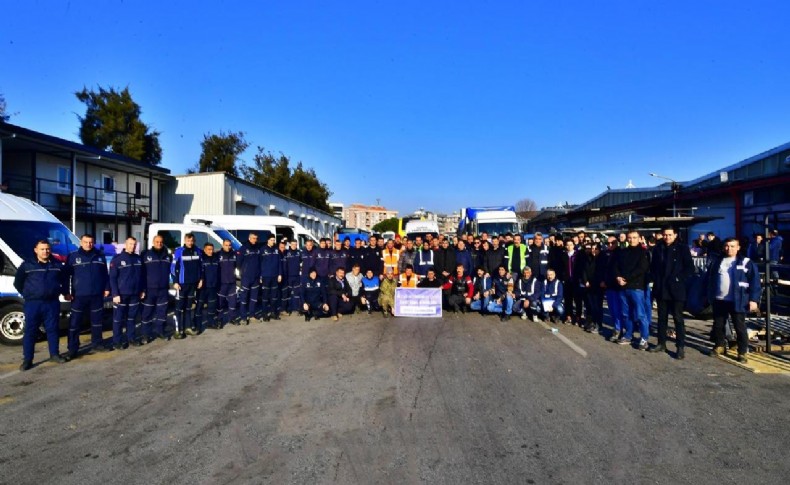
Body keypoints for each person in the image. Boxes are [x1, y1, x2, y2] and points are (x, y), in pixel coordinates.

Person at [15, 240, 69, 371]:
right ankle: (27, 360)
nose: (45, 251)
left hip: (52, 303)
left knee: (53, 329)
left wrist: (65, 292)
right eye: (42, 249)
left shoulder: (56, 264)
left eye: (47, 249)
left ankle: (54, 354)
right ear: (36, 250)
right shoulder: (27, 265)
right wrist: (28, 294)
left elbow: (64, 280)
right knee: (30, 332)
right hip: (33, 303)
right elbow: (18, 283)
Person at [705, 238, 760, 362]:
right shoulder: (717, 261)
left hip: (739, 300)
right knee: (718, 325)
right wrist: (708, 295)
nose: (729, 248)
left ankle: (742, 352)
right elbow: (710, 279)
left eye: (732, 246)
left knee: (739, 327)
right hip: (719, 299)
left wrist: (753, 299)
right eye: (727, 246)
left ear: (738, 247)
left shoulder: (746, 262)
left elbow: (755, 282)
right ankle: (719, 345)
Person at [649, 227, 695, 359]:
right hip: (661, 288)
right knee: (662, 318)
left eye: (669, 234)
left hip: (676, 289)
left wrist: (678, 278)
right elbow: (653, 267)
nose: (667, 237)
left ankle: (680, 347)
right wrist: (655, 279)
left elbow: (690, 268)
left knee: (678, 318)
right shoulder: (658, 248)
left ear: (675, 235)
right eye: (665, 234)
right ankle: (661, 343)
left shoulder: (682, 248)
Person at [64, 234, 110, 357]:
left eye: (91, 242)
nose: (88, 244)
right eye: (85, 242)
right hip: (78, 296)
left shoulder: (100, 256)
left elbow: (105, 274)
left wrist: (106, 288)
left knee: (97, 322)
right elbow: (65, 276)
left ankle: (97, 343)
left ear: (93, 243)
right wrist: (66, 292)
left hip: (96, 295)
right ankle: (73, 348)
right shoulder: (73, 257)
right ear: (81, 243)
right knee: (75, 323)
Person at [615, 231, 650, 349]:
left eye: (634, 238)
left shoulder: (644, 252)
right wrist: (618, 277)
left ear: (640, 238)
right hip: (623, 287)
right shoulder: (623, 252)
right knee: (626, 314)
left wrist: (626, 278)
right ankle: (628, 335)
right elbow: (616, 266)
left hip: (637, 287)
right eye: (629, 238)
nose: (631, 240)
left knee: (640, 314)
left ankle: (644, 338)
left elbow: (642, 269)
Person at [109, 237, 145, 348]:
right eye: (130, 244)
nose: (132, 246)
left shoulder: (138, 259)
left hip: (135, 294)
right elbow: (112, 278)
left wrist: (142, 290)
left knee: (132, 318)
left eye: (134, 244)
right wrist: (115, 294)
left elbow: (142, 277)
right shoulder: (117, 259)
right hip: (121, 295)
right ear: (125, 244)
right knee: (118, 319)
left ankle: (131, 338)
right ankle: (117, 341)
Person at [171, 234, 203, 337]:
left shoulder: (198, 250)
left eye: (192, 240)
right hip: (181, 284)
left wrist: (201, 279)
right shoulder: (179, 251)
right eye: (188, 241)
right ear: (185, 241)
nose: (190, 242)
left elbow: (201, 266)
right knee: (179, 308)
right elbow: (173, 267)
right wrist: (175, 282)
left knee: (189, 307)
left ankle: (188, 327)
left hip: (193, 284)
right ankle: (178, 330)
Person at [237, 233, 261, 325]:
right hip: (246, 277)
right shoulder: (243, 248)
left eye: (256, 238)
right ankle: (243, 317)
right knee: (244, 298)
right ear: (249, 238)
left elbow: (260, 261)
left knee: (254, 298)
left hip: (256, 277)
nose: (255, 240)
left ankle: (252, 315)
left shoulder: (257, 248)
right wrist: (242, 272)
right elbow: (238, 262)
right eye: (253, 238)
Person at [195, 243, 220, 331]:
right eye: (208, 249)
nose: (210, 251)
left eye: (212, 249)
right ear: (204, 249)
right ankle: (197, 325)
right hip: (203, 287)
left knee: (211, 306)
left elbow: (218, 272)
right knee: (199, 307)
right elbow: (197, 272)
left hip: (213, 286)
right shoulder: (201, 259)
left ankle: (210, 323)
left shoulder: (216, 259)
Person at [260, 234, 283, 321]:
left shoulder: (276, 250)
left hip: (275, 276)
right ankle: (265, 314)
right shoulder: (263, 249)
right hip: (266, 276)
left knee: (274, 296)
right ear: (268, 240)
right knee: (265, 296)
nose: (273, 241)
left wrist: (280, 274)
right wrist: (260, 276)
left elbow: (279, 263)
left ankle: (273, 312)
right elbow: (260, 263)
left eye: (274, 240)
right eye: (272, 240)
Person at [217, 239, 238, 327]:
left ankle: (232, 318)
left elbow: (238, 266)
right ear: (223, 245)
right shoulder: (218, 255)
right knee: (220, 303)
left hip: (232, 282)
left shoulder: (234, 255)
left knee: (233, 303)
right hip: (222, 283)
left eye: (229, 245)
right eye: (226, 245)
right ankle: (219, 320)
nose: (228, 247)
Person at [282, 240, 302, 315]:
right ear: (290, 244)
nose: (294, 246)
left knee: (297, 293)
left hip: (297, 276)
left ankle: (297, 308)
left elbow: (301, 262)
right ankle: (287, 308)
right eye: (293, 244)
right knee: (288, 293)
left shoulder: (298, 252)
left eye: (295, 244)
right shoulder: (287, 252)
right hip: (289, 276)